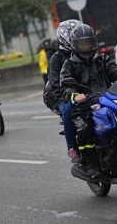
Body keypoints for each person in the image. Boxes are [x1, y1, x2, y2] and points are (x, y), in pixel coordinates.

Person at [60, 24, 117, 178]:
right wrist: (74, 95)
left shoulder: (102, 59)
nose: (86, 47)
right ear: (75, 45)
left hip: (107, 98)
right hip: (85, 104)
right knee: (85, 128)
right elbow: (65, 85)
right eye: (82, 44)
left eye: (89, 43)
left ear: (94, 42)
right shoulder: (70, 64)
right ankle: (92, 165)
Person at [48, 19, 82, 163]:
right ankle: (71, 147)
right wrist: (70, 95)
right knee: (69, 109)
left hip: (86, 93)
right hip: (65, 96)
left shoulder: (85, 52)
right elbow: (56, 85)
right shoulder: (56, 58)